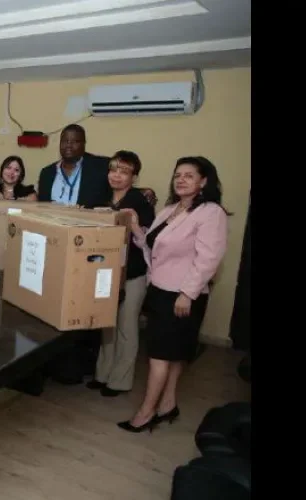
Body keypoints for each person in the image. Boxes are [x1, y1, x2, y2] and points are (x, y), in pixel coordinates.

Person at [117, 156, 229, 433]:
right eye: (178, 174)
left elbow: (208, 258)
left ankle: (145, 413)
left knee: (159, 355)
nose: (181, 179)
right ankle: (168, 405)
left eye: (189, 175)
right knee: (174, 354)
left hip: (181, 296)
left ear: (203, 181)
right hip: (160, 290)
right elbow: (153, 246)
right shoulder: (170, 210)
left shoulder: (210, 212)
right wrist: (135, 229)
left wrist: (187, 294)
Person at [88, 151, 155, 397]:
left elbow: (149, 241)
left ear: (134, 177)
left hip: (133, 274)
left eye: (123, 171)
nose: (116, 175)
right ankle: (102, 374)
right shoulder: (100, 196)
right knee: (107, 325)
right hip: (103, 272)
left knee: (127, 326)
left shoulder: (141, 202)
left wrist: (134, 223)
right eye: (113, 169)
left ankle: (120, 381)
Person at [35, 124, 110, 208]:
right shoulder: (47, 173)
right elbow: (42, 206)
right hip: (52, 220)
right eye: (65, 141)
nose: (69, 145)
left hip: (85, 220)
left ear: (84, 144)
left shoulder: (101, 168)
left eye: (75, 141)